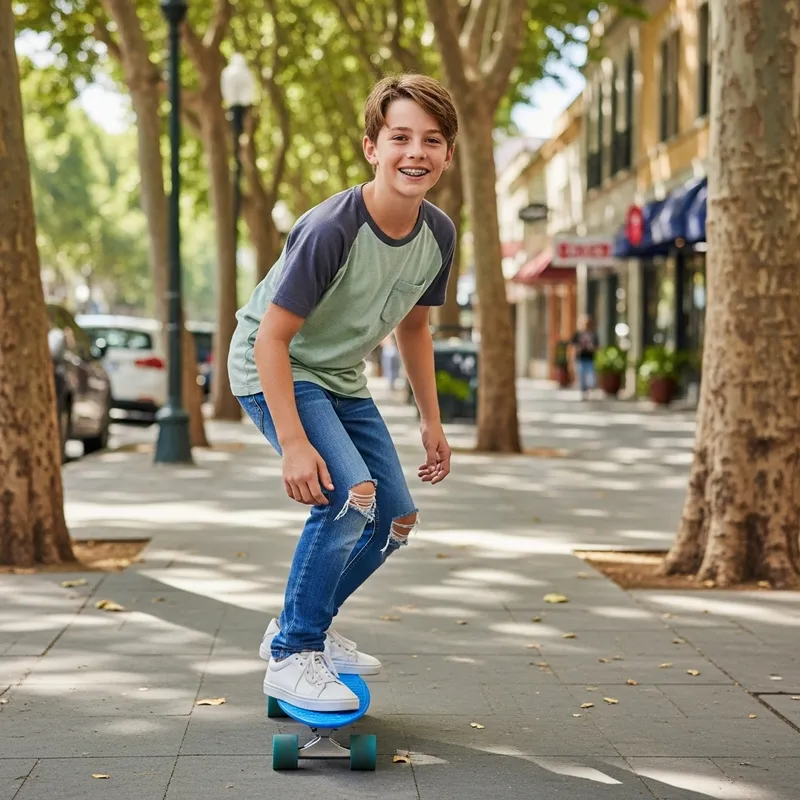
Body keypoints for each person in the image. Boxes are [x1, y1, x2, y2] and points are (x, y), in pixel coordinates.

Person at [227, 74, 457, 712]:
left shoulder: (438, 234)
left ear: (448, 155)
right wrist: (295, 446)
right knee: (348, 495)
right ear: (371, 148)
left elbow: (414, 324)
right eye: (400, 137)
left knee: (395, 517)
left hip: (339, 379)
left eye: (431, 141)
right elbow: (270, 341)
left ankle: (305, 627)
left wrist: (431, 422)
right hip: (274, 366)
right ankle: (294, 653)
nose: (416, 152)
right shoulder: (332, 228)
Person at [571, 315, 599, 400]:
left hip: (590, 359)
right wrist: (572, 359)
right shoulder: (577, 334)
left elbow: (597, 347)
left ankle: (589, 391)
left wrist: (592, 348)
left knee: (590, 378)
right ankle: (583, 393)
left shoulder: (593, 335)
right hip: (581, 359)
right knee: (582, 377)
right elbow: (572, 347)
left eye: (587, 324)